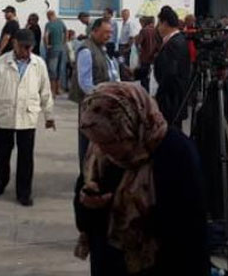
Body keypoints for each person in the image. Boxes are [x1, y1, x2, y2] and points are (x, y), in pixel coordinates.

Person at [74, 83, 209, 276]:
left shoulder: (175, 154)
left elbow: (191, 236)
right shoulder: (100, 155)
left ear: (131, 127)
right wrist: (88, 205)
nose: (102, 149)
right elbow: (85, 221)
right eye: (96, 141)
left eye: (110, 142)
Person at [0, 29, 55, 207]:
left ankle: (24, 192)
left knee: (26, 157)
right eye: (23, 47)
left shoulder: (38, 64)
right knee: (2, 153)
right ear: (14, 44)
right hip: (5, 115)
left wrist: (49, 115)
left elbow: (45, 91)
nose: (27, 52)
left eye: (30, 48)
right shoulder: (0, 63)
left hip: (27, 116)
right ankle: (2, 180)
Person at [74, 18, 120, 169]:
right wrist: (102, 97)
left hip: (105, 105)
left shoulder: (102, 48)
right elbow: (85, 83)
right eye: (105, 32)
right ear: (94, 31)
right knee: (88, 145)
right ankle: (85, 178)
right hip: (93, 106)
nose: (109, 36)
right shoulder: (87, 50)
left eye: (110, 33)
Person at [154, 6, 191, 128]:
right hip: (174, 99)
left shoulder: (174, 43)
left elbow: (170, 74)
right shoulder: (179, 40)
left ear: (164, 23)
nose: (158, 28)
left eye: (158, 24)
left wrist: (158, 95)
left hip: (171, 101)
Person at [45, 10, 68, 96]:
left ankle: (52, 90)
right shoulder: (61, 22)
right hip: (62, 49)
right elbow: (66, 32)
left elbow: (46, 35)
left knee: (52, 70)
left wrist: (47, 45)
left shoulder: (49, 24)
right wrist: (64, 42)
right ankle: (58, 89)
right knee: (59, 69)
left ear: (49, 16)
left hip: (53, 49)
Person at [134, 16, 160, 92]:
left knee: (143, 78)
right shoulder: (156, 30)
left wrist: (136, 40)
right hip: (152, 57)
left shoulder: (144, 31)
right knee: (148, 76)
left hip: (144, 57)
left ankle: (144, 94)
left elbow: (138, 43)